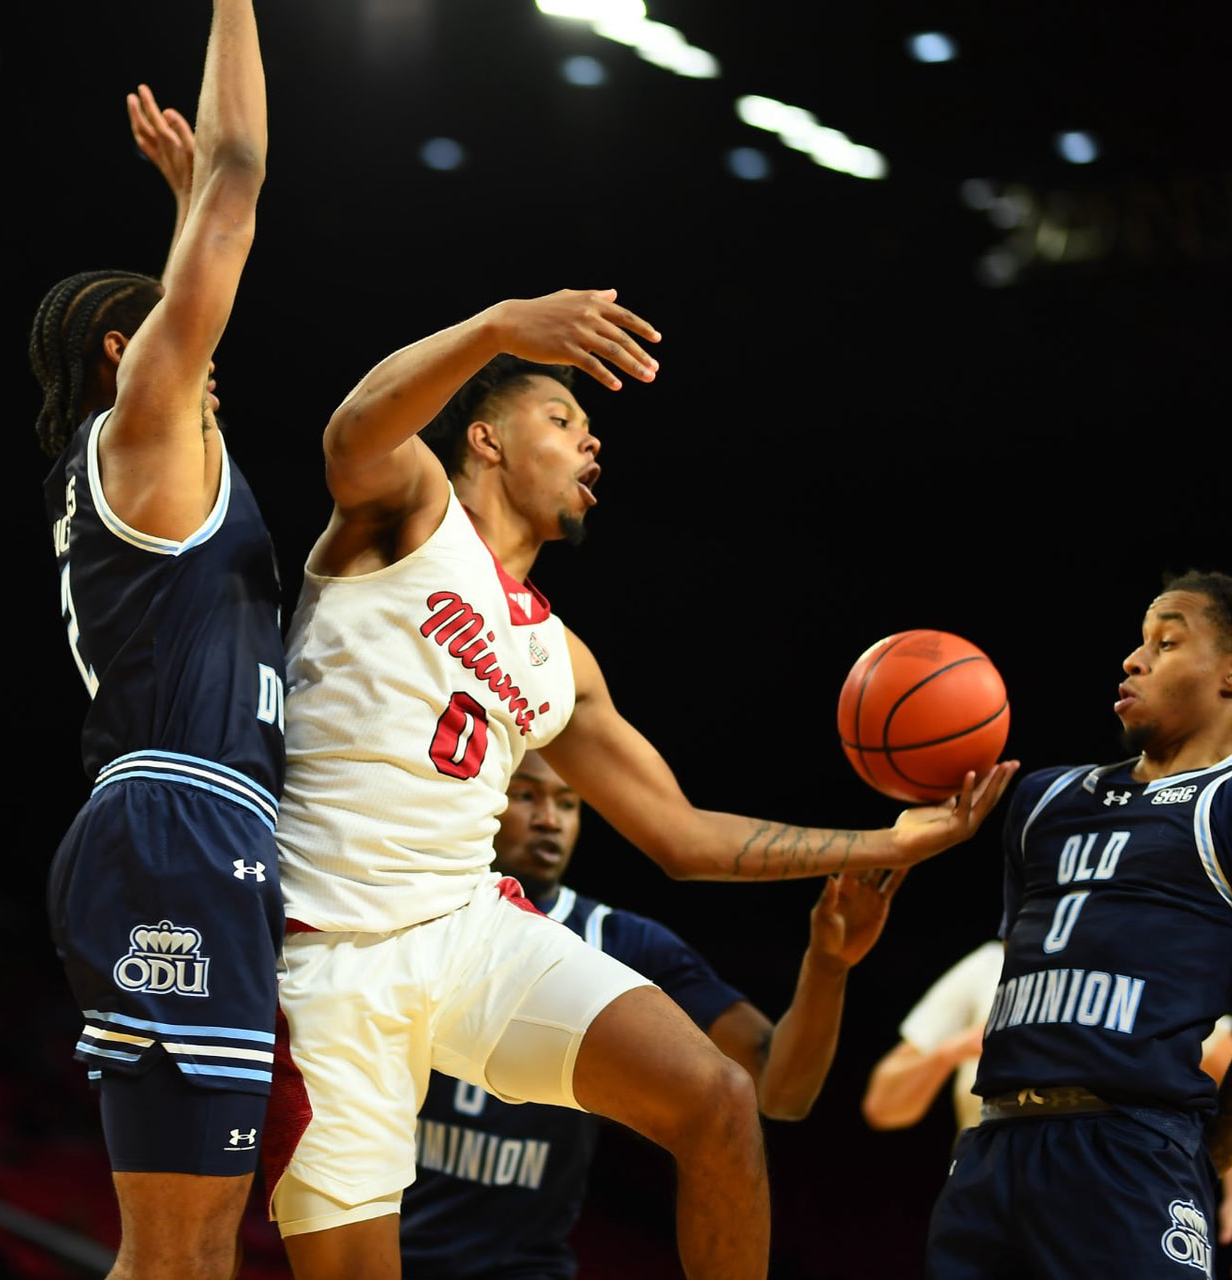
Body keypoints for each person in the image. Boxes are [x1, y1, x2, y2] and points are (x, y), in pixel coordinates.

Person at [259, 289, 1021, 1280]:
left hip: (464, 926)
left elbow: (680, 834)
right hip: (331, 949)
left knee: (717, 1097)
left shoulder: (559, 659)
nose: (591, 443)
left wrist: (894, 841)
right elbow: (352, 429)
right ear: (485, 439)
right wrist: (498, 328)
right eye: (561, 418)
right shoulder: (410, 514)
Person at [29, 5, 281, 1278]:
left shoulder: (145, 466)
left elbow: (218, 220)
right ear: (128, 356)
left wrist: (190, 208)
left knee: (198, 1251)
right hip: (178, 826)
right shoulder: (139, 432)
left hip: (196, 831)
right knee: (178, 1255)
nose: (211, 348)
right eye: (181, 326)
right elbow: (241, 179)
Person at [922, 571, 1232, 1280]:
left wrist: (1189, 1163)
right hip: (990, 1151)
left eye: (1166, 642)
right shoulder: (1041, 799)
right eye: (1139, 642)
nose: (1133, 659)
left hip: (1131, 1151)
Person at [400, 750, 907, 1280]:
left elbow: (782, 1090)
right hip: (387, 1255)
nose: (550, 819)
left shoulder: (622, 941)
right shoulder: (416, 914)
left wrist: (827, 967)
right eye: (527, 795)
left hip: (524, 1268)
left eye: (568, 803)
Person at [862, 939, 1232, 1279]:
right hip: (999, 1191)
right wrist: (952, 1050)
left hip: (1114, 1186)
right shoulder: (989, 967)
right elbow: (883, 1105)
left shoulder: (1137, 958)